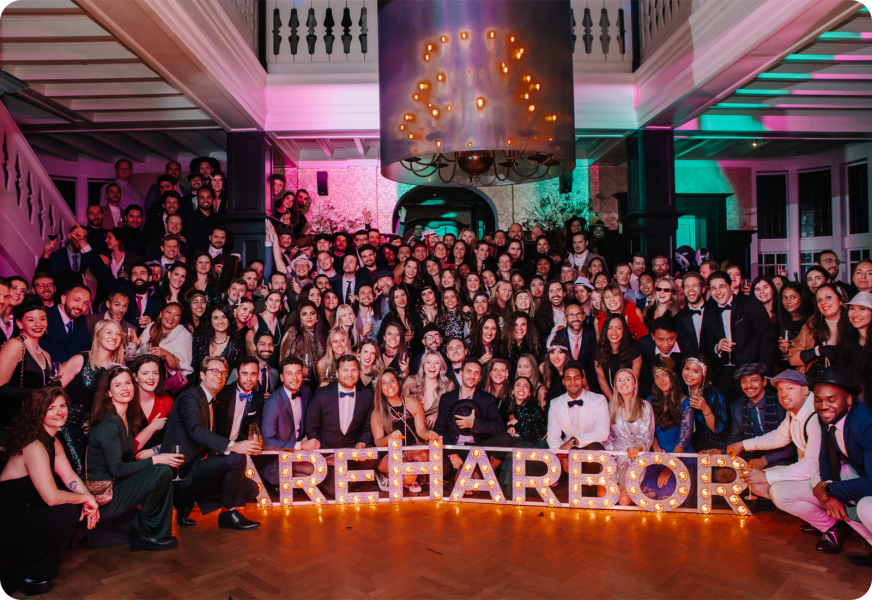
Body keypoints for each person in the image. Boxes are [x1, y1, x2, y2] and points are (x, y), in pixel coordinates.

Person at [0, 388, 99, 596]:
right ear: (39, 412)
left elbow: (70, 477)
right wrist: (85, 499)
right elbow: (51, 497)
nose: (59, 412)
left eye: (62, 406)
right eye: (51, 408)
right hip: (5, 522)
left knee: (71, 506)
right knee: (65, 509)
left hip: (23, 514)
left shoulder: (52, 441)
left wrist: (89, 499)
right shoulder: (34, 446)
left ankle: (33, 572)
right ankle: (18, 569)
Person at [779, 367, 872, 562]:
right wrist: (831, 492)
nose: (823, 406)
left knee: (864, 507)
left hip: (869, 480)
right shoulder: (827, 416)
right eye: (818, 400)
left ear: (848, 400)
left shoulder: (865, 425)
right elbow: (825, 455)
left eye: (831, 399)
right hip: (862, 473)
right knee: (816, 479)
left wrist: (830, 489)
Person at [84, 366, 182, 550]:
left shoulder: (124, 418)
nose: (125, 388)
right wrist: (156, 459)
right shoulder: (109, 423)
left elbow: (128, 461)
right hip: (103, 498)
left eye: (128, 383)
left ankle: (150, 531)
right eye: (118, 385)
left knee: (161, 471)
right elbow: (116, 469)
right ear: (109, 392)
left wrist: (153, 457)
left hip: (117, 487)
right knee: (161, 470)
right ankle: (149, 534)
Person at [161, 356, 262, 530]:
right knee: (236, 457)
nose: (219, 375)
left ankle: (187, 500)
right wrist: (234, 445)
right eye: (214, 371)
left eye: (223, 372)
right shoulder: (190, 397)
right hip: (181, 472)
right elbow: (195, 430)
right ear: (201, 375)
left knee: (250, 488)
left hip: (198, 469)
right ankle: (228, 514)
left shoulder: (212, 402)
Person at [731, 370, 820, 506]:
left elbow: (812, 466)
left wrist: (766, 476)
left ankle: (829, 518)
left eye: (790, 388)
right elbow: (779, 437)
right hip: (809, 472)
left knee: (779, 493)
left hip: (823, 477)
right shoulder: (793, 412)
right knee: (755, 482)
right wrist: (743, 444)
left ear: (805, 390)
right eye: (780, 389)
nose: (784, 394)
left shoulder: (815, 416)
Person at [57, 320, 124, 477]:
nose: (114, 337)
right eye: (109, 332)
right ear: (97, 336)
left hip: (98, 428)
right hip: (70, 426)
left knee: (100, 474)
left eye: (118, 334)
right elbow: (52, 391)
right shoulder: (80, 360)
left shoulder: (118, 367)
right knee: (80, 472)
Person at [304, 354, 376, 496]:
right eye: (345, 370)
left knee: (374, 457)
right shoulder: (322, 394)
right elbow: (311, 427)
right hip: (328, 455)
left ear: (359, 372)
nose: (350, 374)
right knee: (337, 490)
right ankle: (352, 482)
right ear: (337, 373)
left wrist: (361, 443)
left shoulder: (367, 395)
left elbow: (368, 426)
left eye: (354, 370)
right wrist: (327, 453)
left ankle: (353, 479)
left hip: (352, 453)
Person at [700, 271, 777, 400]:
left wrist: (765, 372)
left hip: (750, 370)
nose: (718, 292)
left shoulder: (750, 303)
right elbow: (707, 342)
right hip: (723, 373)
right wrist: (717, 347)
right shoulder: (709, 311)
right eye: (713, 288)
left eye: (722, 286)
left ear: (730, 286)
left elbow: (767, 338)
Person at [434, 358, 513, 482]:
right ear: (461, 373)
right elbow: (440, 430)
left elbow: (498, 427)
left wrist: (474, 424)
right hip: (455, 446)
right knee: (438, 470)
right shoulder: (447, 398)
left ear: (480, 377)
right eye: (469, 371)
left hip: (477, 448)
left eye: (476, 373)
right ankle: (468, 472)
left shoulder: (487, 399)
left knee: (505, 438)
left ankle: (484, 474)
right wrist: (452, 454)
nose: (472, 376)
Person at [371, 369, 436, 493]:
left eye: (392, 381)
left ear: (398, 382)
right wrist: (390, 437)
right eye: (384, 383)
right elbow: (378, 442)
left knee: (426, 455)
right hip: (389, 455)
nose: (389, 385)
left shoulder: (413, 403)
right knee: (410, 475)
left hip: (409, 450)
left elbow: (421, 429)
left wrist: (428, 434)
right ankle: (385, 474)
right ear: (380, 388)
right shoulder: (377, 412)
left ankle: (405, 479)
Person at [212, 357, 265, 500]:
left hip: (238, 451)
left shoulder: (258, 398)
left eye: (253, 374)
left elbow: (255, 427)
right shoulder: (221, 393)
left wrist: (253, 441)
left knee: (252, 489)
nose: (249, 379)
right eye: (244, 373)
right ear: (237, 374)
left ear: (258, 375)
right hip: (216, 448)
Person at [725, 362, 795, 471]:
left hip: (780, 461)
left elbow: (793, 443)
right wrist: (723, 452)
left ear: (764, 381)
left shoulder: (781, 402)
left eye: (754, 380)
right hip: (750, 460)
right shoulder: (736, 406)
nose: (748, 385)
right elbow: (735, 439)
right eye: (744, 381)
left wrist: (765, 460)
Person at [261, 357, 319, 486]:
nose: (294, 378)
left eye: (298, 373)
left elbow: (310, 422)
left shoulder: (306, 392)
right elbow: (267, 443)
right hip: (279, 458)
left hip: (301, 454)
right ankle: (276, 485)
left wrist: (307, 438)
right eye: (289, 374)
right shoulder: (273, 403)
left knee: (321, 468)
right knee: (314, 470)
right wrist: (301, 445)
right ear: (282, 377)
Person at [546, 361, 610, 474]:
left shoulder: (599, 400)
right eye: (568, 379)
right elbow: (553, 437)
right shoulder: (555, 403)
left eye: (577, 378)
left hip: (592, 452)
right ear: (563, 381)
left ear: (583, 380)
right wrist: (562, 454)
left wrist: (573, 441)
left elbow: (603, 432)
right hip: (569, 452)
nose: (573, 382)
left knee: (594, 447)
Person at [603, 368, 654, 505]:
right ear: (615, 385)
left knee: (623, 501)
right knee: (605, 497)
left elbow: (645, 435)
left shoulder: (644, 406)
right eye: (619, 380)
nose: (623, 383)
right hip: (613, 455)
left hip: (634, 455)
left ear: (635, 383)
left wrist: (637, 447)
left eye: (627, 379)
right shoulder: (610, 406)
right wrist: (611, 455)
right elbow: (606, 435)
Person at [642, 366, 694, 498]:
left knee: (668, 493)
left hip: (679, 457)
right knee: (646, 491)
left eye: (665, 375)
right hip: (657, 457)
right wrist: (655, 446)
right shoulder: (650, 401)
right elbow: (649, 430)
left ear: (673, 375)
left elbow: (684, 440)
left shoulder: (685, 402)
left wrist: (670, 468)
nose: (661, 380)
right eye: (657, 377)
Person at [0, 302, 52, 430]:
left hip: (35, 423)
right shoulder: (15, 345)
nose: (38, 324)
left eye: (42, 319)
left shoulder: (46, 355)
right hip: (12, 422)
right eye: (31, 320)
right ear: (19, 323)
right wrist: (40, 392)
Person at [788, 283, 851, 377]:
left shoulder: (854, 323)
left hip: (847, 381)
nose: (823, 302)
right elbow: (792, 360)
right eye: (819, 300)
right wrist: (817, 351)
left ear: (841, 300)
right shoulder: (811, 326)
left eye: (828, 297)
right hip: (815, 380)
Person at [682, 354, 729, 451]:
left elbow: (719, 430)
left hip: (710, 448)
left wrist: (705, 408)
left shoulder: (714, 394)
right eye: (687, 369)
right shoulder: (681, 391)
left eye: (696, 371)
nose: (689, 374)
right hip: (687, 446)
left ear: (704, 374)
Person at [129, 355, 174, 454]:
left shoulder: (167, 401)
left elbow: (177, 439)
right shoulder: (127, 403)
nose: (151, 378)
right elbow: (125, 449)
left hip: (162, 459)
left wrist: (154, 451)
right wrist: (153, 427)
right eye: (145, 373)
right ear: (135, 377)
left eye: (155, 373)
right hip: (133, 461)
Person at [137, 302, 194, 382]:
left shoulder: (184, 334)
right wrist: (136, 343)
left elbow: (180, 365)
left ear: (179, 320)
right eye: (169, 312)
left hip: (167, 380)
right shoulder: (151, 327)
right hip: (145, 374)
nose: (171, 317)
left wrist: (165, 353)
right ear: (160, 314)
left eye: (176, 315)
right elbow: (140, 353)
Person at [191, 304, 244, 388]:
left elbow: (235, 375)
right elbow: (194, 368)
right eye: (215, 318)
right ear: (210, 321)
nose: (220, 321)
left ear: (229, 320)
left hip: (224, 392)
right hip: (198, 389)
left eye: (224, 317)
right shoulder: (200, 340)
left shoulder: (237, 346)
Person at [40, 283, 92, 364]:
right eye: (76, 300)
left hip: (75, 369)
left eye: (85, 303)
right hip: (49, 370)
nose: (80, 307)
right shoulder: (45, 316)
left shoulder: (81, 320)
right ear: (64, 299)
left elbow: (85, 348)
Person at [595, 313, 643, 398]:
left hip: (631, 393)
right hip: (608, 396)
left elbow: (635, 378)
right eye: (610, 328)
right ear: (605, 330)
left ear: (624, 330)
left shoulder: (634, 348)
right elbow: (601, 377)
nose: (614, 332)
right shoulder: (598, 348)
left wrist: (628, 399)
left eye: (619, 328)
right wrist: (612, 400)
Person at [637, 316, 685, 398]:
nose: (665, 345)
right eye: (660, 339)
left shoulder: (687, 346)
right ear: (653, 336)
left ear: (676, 335)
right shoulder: (644, 346)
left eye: (670, 339)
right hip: (654, 393)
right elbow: (645, 379)